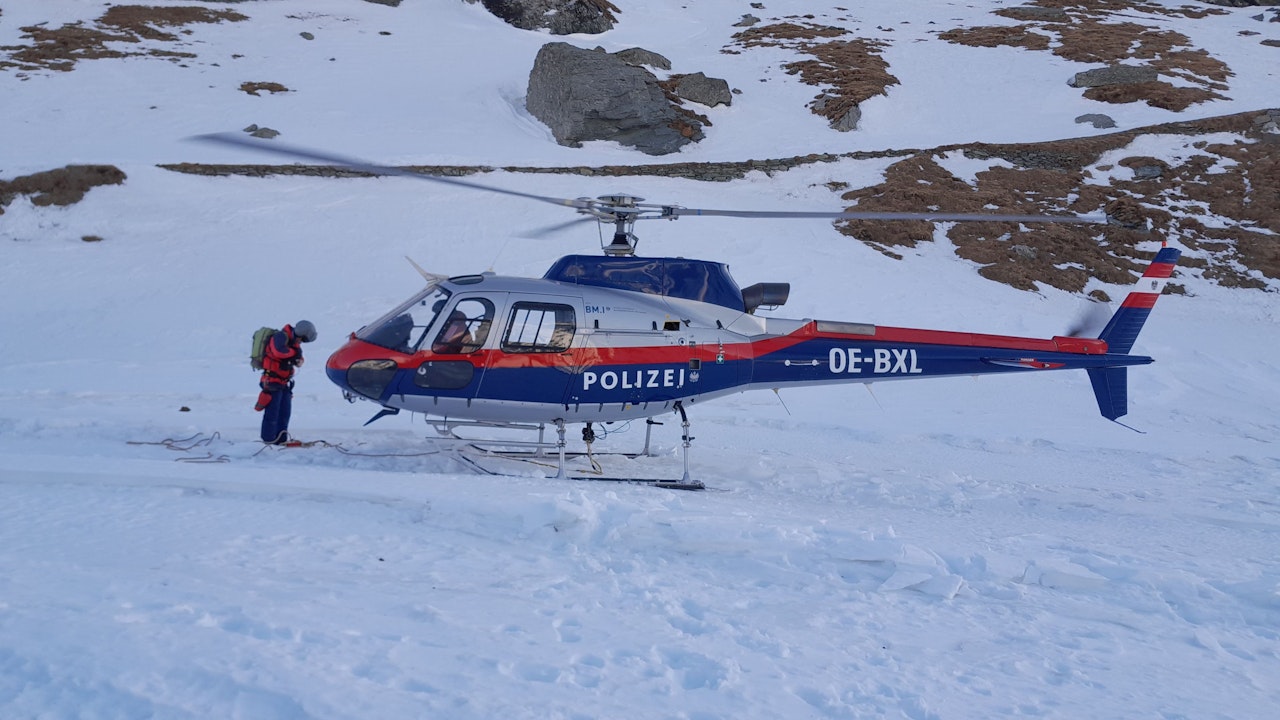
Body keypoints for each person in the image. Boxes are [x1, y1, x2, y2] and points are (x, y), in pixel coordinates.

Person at [256, 320, 317, 444]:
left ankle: (281, 439)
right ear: (300, 333)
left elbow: (298, 356)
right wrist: (295, 355)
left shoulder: (294, 343)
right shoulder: (279, 337)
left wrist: (299, 360)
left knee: (284, 413)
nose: (301, 342)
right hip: (272, 381)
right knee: (273, 413)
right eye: (302, 339)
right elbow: (280, 352)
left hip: (284, 383)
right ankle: (268, 440)